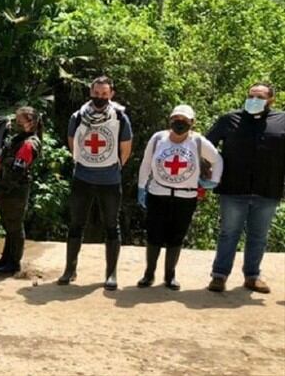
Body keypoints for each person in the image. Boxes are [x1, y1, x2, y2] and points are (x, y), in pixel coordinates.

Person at [206, 83, 285, 294]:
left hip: (268, 189)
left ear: (271, 100)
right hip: (233, 189)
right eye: (251, 96)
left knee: (258, 236)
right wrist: (207, 175)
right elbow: (206, 146)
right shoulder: (229, 119)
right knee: (228, 233)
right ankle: (219, 276)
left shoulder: (282, 121)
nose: (254, 100)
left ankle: (252, 276)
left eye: (259, 97)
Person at [58, 76, 133, 290]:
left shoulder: (119, 116)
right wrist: (84, 162)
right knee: (75, 224)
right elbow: (73, 142)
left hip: (109, 180)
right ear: (90, 93)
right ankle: (70, 270)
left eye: (104, 94)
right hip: (82, 177)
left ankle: (111, 274)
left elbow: (126, 146)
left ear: (111, 94)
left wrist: (116, 166)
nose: (100, 97)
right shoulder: (78, 116)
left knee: (111, 226)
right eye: (96, 93)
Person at [136, 105, 222, 290]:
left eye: (184, 120)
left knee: (176, 236)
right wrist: (142, 187)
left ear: (192, 123)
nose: (179, 123)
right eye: (176, 119)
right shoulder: (159, 138)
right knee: (154, 235)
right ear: (169, 120)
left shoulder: (198, 142)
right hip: (158, 193)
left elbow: (217, 159)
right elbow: (146, 163)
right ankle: (149, 274)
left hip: (186, 196)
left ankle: (169, 275)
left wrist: (214, 181)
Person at [0, 106, 43, 275]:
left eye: (20, 121)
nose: (17, 124)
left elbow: (16, 172)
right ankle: (6, 259)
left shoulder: (29, 144)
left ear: (31, 123)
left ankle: (13, 263)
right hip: (8, 189)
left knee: (14, 226)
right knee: (8, 224)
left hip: (15, 190)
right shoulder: (18, 139)